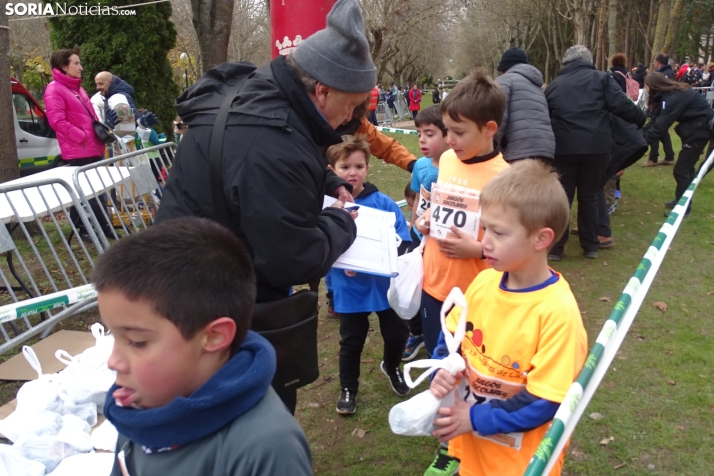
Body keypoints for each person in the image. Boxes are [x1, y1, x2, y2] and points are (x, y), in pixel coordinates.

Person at [156, 0, 375, 414]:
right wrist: (341, 222)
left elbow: (251, 165)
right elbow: (295, 259)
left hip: (187, 276)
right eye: (350, 105)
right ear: (322, 91)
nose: (351, 118)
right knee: (248, 420)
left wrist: (327, 179)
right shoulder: (271, 145)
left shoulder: (259, 96)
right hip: (219, 306)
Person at [95, 217, 313, 476]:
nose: (113, 361)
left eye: (137, 342)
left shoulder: (265, 448)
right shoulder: (137, 409)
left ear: (214, 337)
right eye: (113, 335)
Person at [429, 160, 587, 476]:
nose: (484, 241)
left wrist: (473, 418)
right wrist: (442, 368)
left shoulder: (557, 314)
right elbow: (452, 338)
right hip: (473, 452)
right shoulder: (484, 281)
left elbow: (545, 400)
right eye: (485, 228)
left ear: (541, 239)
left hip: (520, 465)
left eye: (498, 232)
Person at [414, 69, 509, 476]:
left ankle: (458, 451)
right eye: (446, 131)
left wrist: (475, 248)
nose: (448, 141)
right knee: (440, 370)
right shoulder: (449, 159)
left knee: (465, 374)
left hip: (473, 298)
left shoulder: (505, 179)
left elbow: (508, 248)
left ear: (489, 129)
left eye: (457, 132)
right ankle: (446, 442)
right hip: (434, 283)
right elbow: (438, 205)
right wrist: (425, 219)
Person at [326, 136, 412, 414]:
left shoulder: (384, 204)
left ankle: (392, 366)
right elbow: (323, 244)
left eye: (359, 166)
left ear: (367, 168)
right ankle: (348, 388)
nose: (353, 172)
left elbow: (403, 241)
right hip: (349, 287)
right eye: (345, 167)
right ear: (332, 170)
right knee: (352, 340)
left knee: (397, 333)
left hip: (385, 286)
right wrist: (342, 262)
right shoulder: (329, 206)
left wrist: (386, 256)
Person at [544, 45, 645, 261]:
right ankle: (590, 245)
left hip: (564, 147)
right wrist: (639, 118)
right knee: (590, 195)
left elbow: (545, 114)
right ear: (588, 60)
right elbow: (621, 104)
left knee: (563, 196)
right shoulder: (602, 79)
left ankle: (556, 248)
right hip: (596, 147)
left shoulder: (555, 85)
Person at [44, 46, 117, 239]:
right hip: (80, 150)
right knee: (92, 193)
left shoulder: (76, 88)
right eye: (76, 63)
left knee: (93, 191)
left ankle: (84, 228)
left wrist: (99, 133)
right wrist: (82, 137)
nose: (81, 67)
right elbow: (57, 121)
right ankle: (103, 228)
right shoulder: (54, 89)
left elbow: (89, 117)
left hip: (93, 147)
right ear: (63, 66)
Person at [401, 105, 449, 363]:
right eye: (419, 133)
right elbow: (418, 198)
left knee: (436, 293)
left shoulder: (456, 166)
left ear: (448, 134)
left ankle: (444, 339)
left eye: (429, 133)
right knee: (414, 288)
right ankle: (417, 333)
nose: (422, 139)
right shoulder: (419, 165)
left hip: (443, 244)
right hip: (419, 239)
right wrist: (413, 225)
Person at [642, 72, 713, 218]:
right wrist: (638, 134)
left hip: (700, 131)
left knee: (680, 170)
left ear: (654, 86)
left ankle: (684, 208)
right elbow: (655, 119)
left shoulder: (674, 97)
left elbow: (660, 126)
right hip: (695, 130)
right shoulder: (667, 96)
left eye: (647, 86)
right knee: (687, 169)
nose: (646, 89)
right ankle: (682, 199)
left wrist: (640, 144)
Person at [597, 53, 649, 248]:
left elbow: (623, 107)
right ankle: (595, 225)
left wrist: (640, 121)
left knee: (599, 185)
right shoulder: (624, 77)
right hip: (619, 140)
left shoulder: (610, 81)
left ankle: (602, 230)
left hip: (621, 141)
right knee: (598, 183)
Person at [494, 47, 555, 162]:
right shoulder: (537, 86)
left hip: (519, 150)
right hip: (546, 149)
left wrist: (491, 147)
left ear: (503, 69)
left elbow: (498, 117)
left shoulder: (505, 80)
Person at [642, 53, 677, 167]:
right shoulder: (666, 73)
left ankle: (653, 157)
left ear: (657, 62)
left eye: (654, 62)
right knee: (663, 132)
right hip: (661, 106)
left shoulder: (665, 75)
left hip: (662, 106)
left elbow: (663, 91)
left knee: (656, 129)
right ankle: (669, 156)